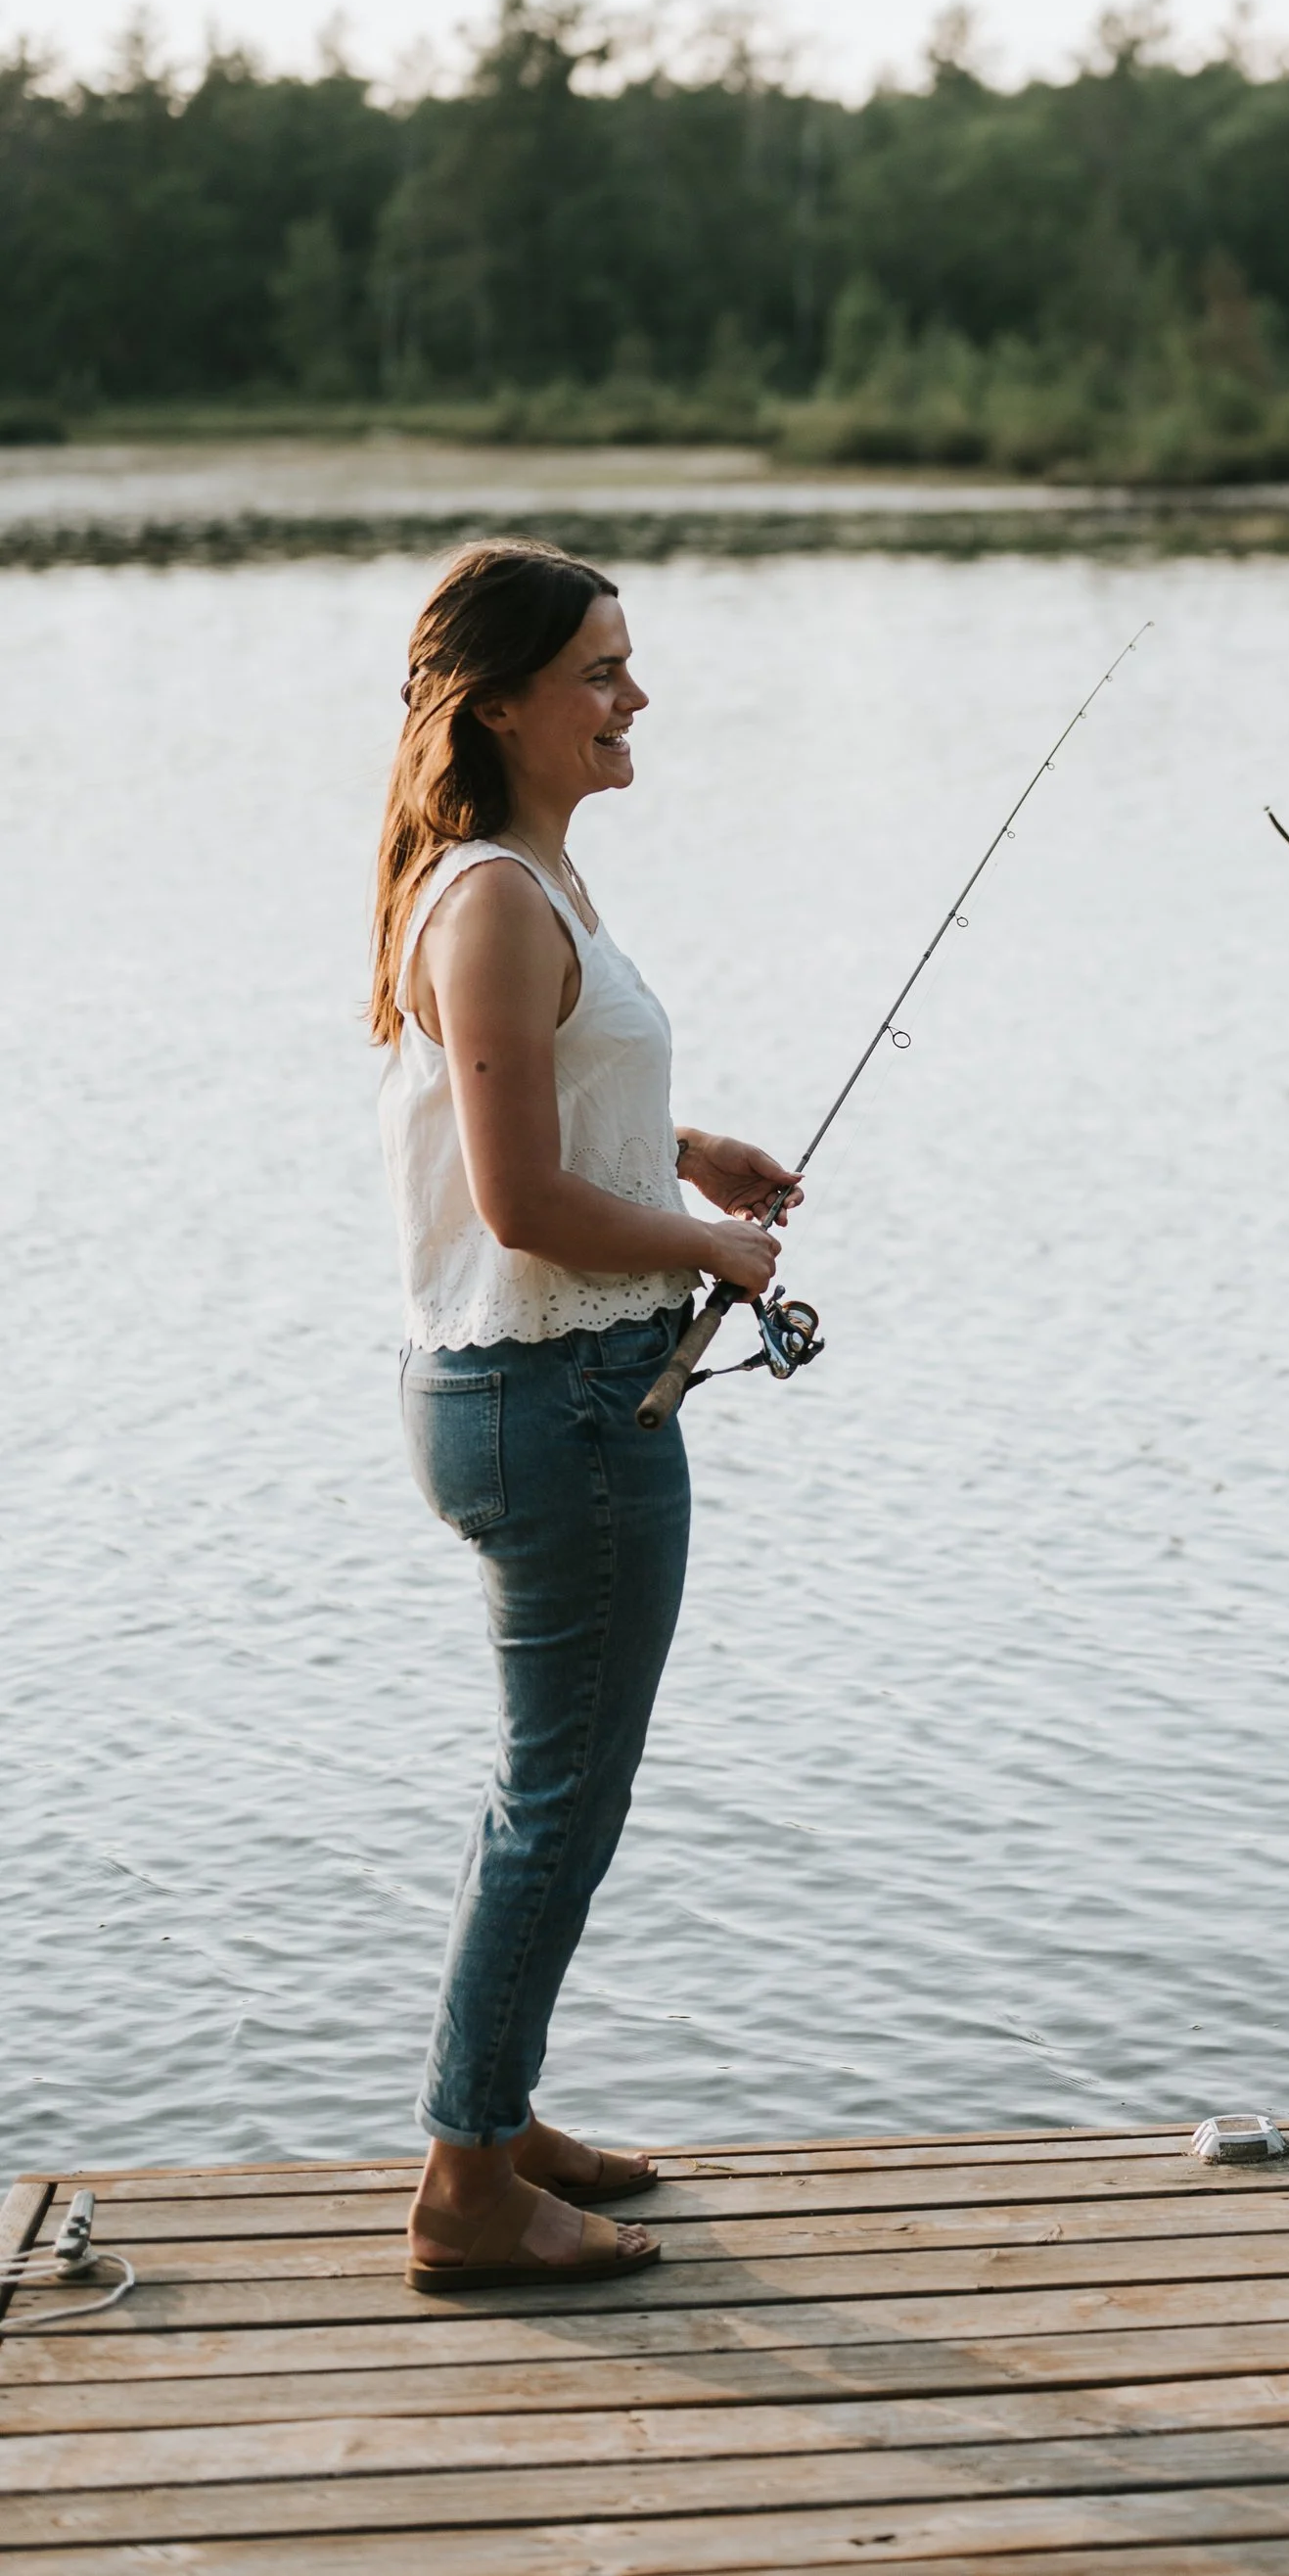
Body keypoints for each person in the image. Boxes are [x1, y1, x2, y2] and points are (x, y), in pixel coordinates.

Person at [371, 539, 801, 2291]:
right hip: (555, 1397)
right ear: (500, 707)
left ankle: (496, 2121)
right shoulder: (491, 898)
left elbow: (548, 1104)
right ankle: (466, 2191)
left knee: (553, 1790)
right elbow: (524, 1201)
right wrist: (714, 1248)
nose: (636, 698)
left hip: (544, 1393)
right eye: (600, 673)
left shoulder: (533, 879)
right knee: (559, 1799)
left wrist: (687, 1151)